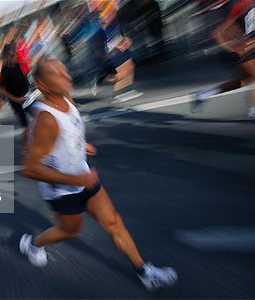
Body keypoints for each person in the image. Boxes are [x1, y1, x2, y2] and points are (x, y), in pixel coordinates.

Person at [20, 58, 178, 291]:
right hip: (62, 190)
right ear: (42, 85)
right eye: (59, 75)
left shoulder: (66, 97)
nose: (68, 77)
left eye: (65, 71)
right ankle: (32, 243)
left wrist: (80, 145)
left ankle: (145, 272)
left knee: (114, 222)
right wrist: (76, 180)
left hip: (84, 177)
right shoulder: (46, 119)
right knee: (70, 231)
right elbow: (30, 169)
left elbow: (69, 129)